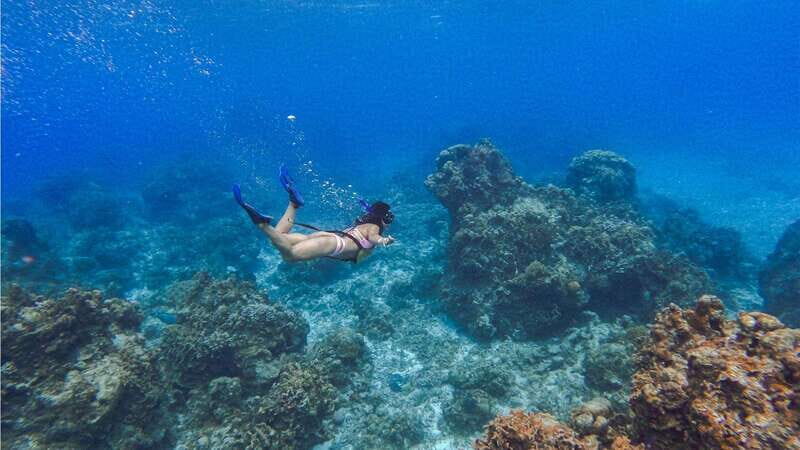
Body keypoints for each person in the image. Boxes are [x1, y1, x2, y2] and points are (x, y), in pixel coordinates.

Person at [233, 166, 395, 263]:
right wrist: (383, 241)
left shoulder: (364, 223)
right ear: (381, 218)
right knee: (290, 256)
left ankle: (293, 204)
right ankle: (261, 224)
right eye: (388, 218)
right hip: (333, 246)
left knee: (280, 237)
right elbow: (373, 238)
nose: (388, 223)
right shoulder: (373, 227)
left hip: (330, 238)